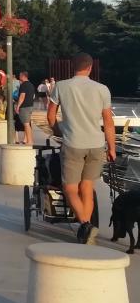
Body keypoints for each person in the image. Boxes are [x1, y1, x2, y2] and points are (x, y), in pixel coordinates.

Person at [47, 53, 115, 245]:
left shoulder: (61, 86)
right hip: (96, 145)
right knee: (87, 187)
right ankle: (87, 231)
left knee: (70, 189)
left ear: (72, 67)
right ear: (90, 67)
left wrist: (58, 131)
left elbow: (50, 116)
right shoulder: (102, 89)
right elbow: (108, 122)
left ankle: (86, 225)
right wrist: (112, 148)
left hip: (73, 143)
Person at [14, 71, 36, 145]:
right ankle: (29, 140)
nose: (19, 77)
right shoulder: (31, 85)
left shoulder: (23, 85)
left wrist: (18, 106)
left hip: (24, 107)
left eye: (20, 76)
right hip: (30, 106)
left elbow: (22, 96)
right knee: (28, 124)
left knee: (26, 124)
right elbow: (33, 96)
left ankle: (30, 141)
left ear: (23, 76)